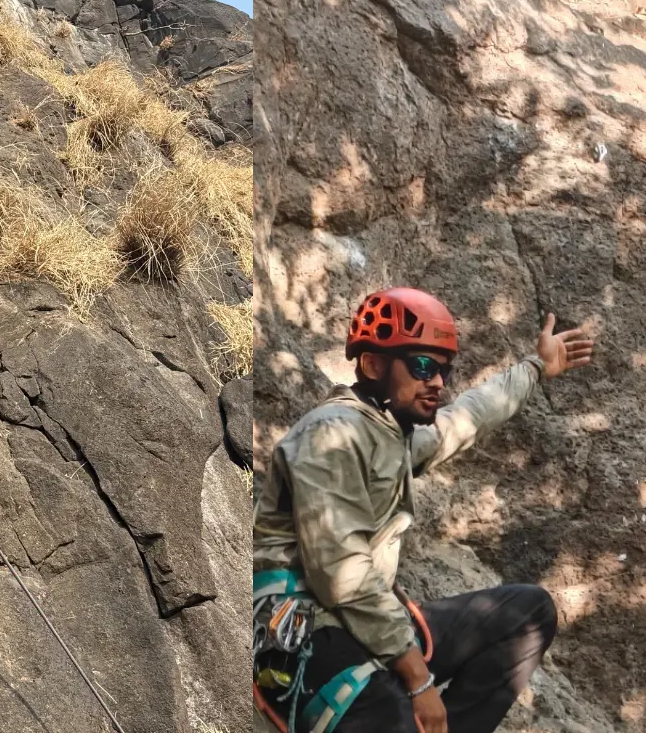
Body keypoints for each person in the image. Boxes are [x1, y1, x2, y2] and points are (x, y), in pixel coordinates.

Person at [253, 287, 599, 733]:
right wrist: (419, 680)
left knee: (528, 613)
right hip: (302, 630)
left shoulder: (388, 433)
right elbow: (341, 575)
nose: (437, 381)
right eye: (422, 366)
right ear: (373, 365)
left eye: (443, 369)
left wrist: (535, 368)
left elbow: (468, 418)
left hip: (358, 624)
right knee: (393, 715)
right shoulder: (331, 436)